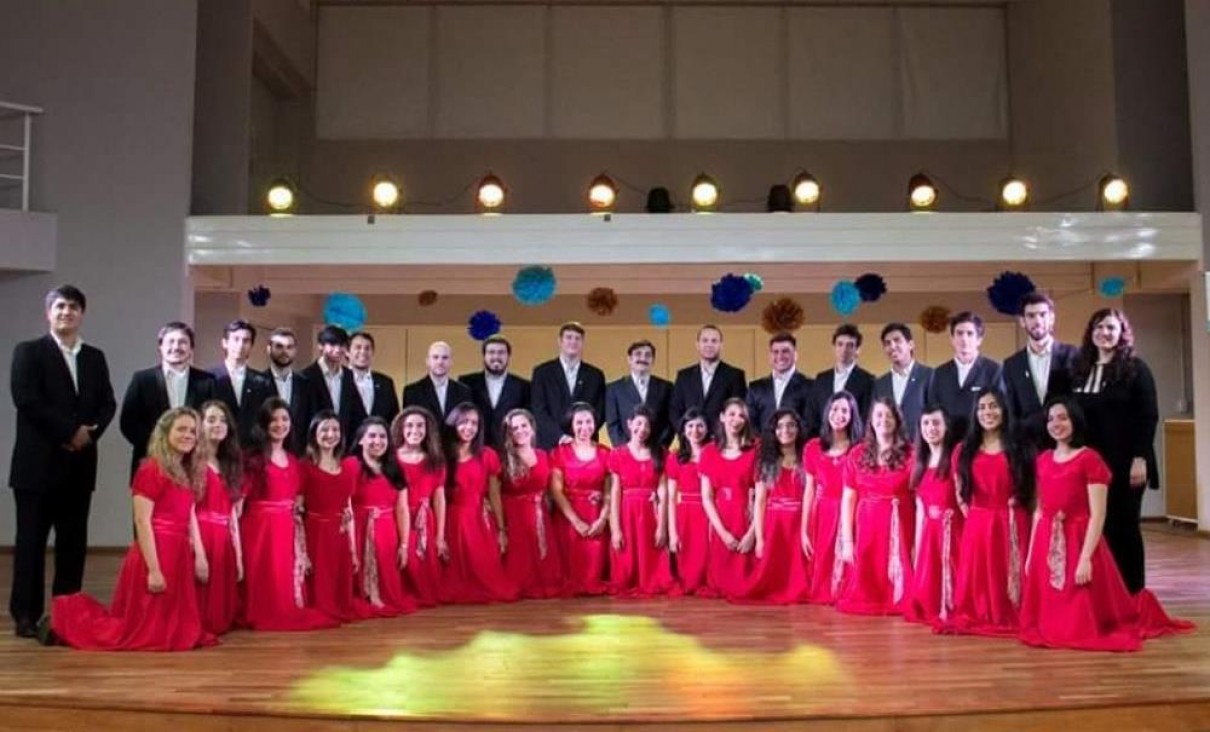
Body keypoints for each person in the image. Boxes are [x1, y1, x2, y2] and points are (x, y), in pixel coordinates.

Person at [1019, 397, 1193, 651]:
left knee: (1076, 619)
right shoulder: (1043, 459)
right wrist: (1032, 553)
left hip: (1079, 539)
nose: (1056, 424)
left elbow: (1098, 515)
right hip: (1048, 538)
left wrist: (1085, 558)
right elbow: (1038, 511)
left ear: (1075, 421)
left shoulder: (1089, 459)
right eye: (1051, 419)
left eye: (1063, 418)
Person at [49, 408, 215, 651]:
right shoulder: (151, 469)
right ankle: (63, 620)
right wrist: (154, 570)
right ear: (165, 433)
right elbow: (142, 521)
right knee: (139, 632)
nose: (188, 435)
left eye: (192, 431)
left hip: (178, 552)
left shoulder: (186, 472)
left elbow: (189, 514)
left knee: (171, 630)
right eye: (181, 429)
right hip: (156, 552)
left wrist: (199, 554)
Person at [9, 285, 117, 639]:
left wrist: (90, 433)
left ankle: (67, 612)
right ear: (48, 313)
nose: (66, 312)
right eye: (59, 306)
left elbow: (107, 404)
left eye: (73, 307)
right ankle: (26, 615)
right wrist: (70, 432)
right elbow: (26, 399)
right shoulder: (29, 352)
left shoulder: (94, 357)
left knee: (73, 546)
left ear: (82, 313)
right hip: (36, 468)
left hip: (79, 467)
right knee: (30, 545)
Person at [1072, 308, 1158, 595]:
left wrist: (1140, 457)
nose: (1105, 333)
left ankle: (1133, 593)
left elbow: (1148, 416)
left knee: (1125, 528)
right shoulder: (1079, 369)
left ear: (1121, 332)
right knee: (1098, 529)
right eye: (1099, 327)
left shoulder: (1136, 369)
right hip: (1089, 466)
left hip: (1127, 464)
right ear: (1091, 332)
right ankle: (1105, 594)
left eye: (1111, 327)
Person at [239, 398, 340, 631]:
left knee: (284, 575)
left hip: (286, 526)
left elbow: (299, 500)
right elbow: (239, 503)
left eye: (285, 419)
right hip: (259, 528)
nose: (279, 424)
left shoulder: (294, 461)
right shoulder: (252, 459)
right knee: (263, 575)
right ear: (264, 423)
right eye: (273, 419)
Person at [940, 389, 1033, 637]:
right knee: (979, 584)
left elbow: (1031, 490)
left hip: (1013, 521)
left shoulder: (1020, 446)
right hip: (979, 522)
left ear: (1004, 410)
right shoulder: (964, 449)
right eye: (981, 407)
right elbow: (960, 491)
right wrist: (973, 516)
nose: (987, 412)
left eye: (993, 406)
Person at [836, 398, 915, 616]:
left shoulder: (911, 453)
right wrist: (847, 540)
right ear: (870, 420)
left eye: (889, 415)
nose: (884, 420)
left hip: (900, 521)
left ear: (897, 420)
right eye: (879, 415)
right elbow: (848, 498)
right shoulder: (857, 454)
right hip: (868, 523)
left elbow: (919, 496)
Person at [440, 402, 518, 604]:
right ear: (453, 424)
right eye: (463, 422)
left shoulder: (487, 455)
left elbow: (494, 494)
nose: (469, 428)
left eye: (474, 423)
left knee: (492, 580)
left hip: (479, 518)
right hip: (451, 517)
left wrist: (501, 529)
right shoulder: (441, 455)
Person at [734, 409, 810, 604]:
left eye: (791, 425)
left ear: (798, 429)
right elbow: (760, 501)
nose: (786, 430)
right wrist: (759, 538)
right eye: (780, 426)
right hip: (774, 525)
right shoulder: (765, 462)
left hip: (799, 522)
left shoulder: (807, 458)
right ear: (774, 431)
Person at [119, 321, 213, 479]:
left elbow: (209, 422)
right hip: (151, 462)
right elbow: (128, 422)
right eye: (171, 342)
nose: (176, 347)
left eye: (183, 342)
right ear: (160, 347)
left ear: (191, 348)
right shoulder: (142, 379)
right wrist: (160, 446)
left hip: (193, 466)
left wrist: (190, 446)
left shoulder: (207, 381)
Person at [302, 410, 371, 622]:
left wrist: (353, 548)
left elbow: (348, 507)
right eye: (324, 429)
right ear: (314, 433)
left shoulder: (349, 466)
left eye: (335, 430)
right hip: (316, 532)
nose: (330, 434)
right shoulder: (305, 466)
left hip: (339, 532)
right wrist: (302, 551)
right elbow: (297, 511)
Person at [348, 418, 418, 616]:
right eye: (372, 436)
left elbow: (402, 508)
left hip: (387, 530)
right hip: (359, 527)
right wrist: (351, 547)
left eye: (382, 436)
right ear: (360, 440)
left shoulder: (395, 468)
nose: (377, 441)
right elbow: (348, 507)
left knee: (390, 582)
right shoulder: (351, 466)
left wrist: (404, 545)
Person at [903, 405, 962, 625]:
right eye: (926, 423)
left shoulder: (956, 458)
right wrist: (917, 549)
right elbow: (920, 512)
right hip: (930, 534)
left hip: (953, 533)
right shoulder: (919, 463)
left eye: (936, 423)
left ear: (946, 427)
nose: (931, 428)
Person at [608, 405, 675, 596]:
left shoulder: (660, 453)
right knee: (625, 556)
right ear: (629, 424)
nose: (642, 429)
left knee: (653, 556)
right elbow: (615, 493)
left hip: (650, 512)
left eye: (647, 425)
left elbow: (663, 491)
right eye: (638, 423)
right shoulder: (618, 454)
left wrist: (662, 526)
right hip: (627, 511)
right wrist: (615, 529)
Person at [802, 391, 862, 605]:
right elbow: (809, 490)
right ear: (827, 412)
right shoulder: (813, 447)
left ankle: (846, 591)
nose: (839, 414)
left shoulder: (860, 448)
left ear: (852, 415)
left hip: (851, 510)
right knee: (824, 555)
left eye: (845, 410)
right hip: (823, 510)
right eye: (835, 409)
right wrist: (803, 529)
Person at [498, 409, 565, 598]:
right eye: (514, 428)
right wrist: (501, 528)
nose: (519, 431)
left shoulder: (544, 456)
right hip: (514, 517)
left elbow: (552, 491)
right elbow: (494, 494)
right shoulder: (503, 459)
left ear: (532, 428)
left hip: (540, 515)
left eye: (523, 426)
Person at [699, 398, 759, 598]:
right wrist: (722, 532)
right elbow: (706, 496)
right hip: (720, 518)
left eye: (742, 415)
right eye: (732, 414)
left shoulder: (754, 450)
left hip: (746, 516)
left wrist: (752, 533)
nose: (736, 419)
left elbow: (762, 497)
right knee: (720, 579)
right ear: (722, 417)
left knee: (746, 582)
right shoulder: (709, 451)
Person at [550, 403, 611, 596]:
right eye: (579, 422)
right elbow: (556, 490)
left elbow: (610, 491)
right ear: (571, 424)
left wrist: (603, 519)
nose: (584, 427)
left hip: (596, 515)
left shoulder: (605, 452)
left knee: (594, 571)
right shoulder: (559, 452)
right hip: (568, 516)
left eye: (588, 422)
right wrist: (576, 521)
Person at [1003, 293, 1079, 448]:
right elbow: (1012, 412)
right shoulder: (1012, 364)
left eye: (1042, 315)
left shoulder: (1073, 355)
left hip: (1066, 447)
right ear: (1022, 321)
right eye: (1031, 316)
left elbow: (1078, 404)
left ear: (1051, 318)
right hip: (1028, 449)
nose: (1037, 321)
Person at [195, 400, 244, 635]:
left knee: (221, 620)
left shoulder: (230, 463)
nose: (218, 425)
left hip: (224, 537)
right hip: (201, 536)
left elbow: (233, 514)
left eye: (223, 420)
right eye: (211, 419)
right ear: (200, 424)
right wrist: (197, 552)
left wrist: (239, 557)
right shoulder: (192, 461)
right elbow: (186, 510)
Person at [393, 405, 448, 608]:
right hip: (397, 517)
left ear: (427, 430)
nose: (414, 430)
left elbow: (439, 499)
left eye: (420, 426)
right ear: (400, 428)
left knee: (427, 577)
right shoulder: (392, 458)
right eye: (409, 425)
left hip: (425, 520)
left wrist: (440, 536)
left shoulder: (436, 460)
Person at [925, 311, 1004, 440]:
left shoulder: (994, 370)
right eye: (959, 333)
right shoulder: (939, 373)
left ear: (979, 339)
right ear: (952, 339)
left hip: (982, 442)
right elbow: (933, 411)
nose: (964, 339)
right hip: (948, 444)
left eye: (970, 334)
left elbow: (1000, 411)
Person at [530, 323, 606, 449]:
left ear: (582, 342)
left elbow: (600, 411)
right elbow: (538, 411)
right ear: (560, 341)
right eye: (569, 337)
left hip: (586, 446)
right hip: (551, 444)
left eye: (577, 338)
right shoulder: (542, 372)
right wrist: (560, 436)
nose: (573, 342)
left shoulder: (595, 375)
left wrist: (582, 433)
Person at [666, 409, 711, 596]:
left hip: (709, 511)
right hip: (684, 513)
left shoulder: (714, 454)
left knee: (708, 555)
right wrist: (672, 533)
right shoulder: (675, 457)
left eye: (700, 425)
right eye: (690, 426)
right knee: (687, 558)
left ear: (707, 429)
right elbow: (670, 497)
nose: (695, 430)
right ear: (683, 430)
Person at [208, 319, 274, 445]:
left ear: (251, 345)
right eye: (236, 339)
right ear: (225, 343)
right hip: (217, 448)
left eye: (246, 341)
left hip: (252, 450)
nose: (240, 345)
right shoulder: (209, 378)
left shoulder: (263, 382)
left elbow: (265, 419)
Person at [670, 325, 747, 430]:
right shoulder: (684, 376)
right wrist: (686, 433)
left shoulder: (735, 375)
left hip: (721, 441)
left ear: (721, 345)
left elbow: (738, 411)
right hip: (690, 441)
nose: (709, 345)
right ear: (697, 345)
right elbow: (675, 410)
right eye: (705, 340)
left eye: (714, 341)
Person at [460, 335, 531, 449]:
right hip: (475, 448)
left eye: (501, 352)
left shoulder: (524, 386)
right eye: (491, 352)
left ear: (508, 356)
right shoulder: (466, 383)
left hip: (510, 450)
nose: (496, 356)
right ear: (484, 356)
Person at [605, 340, 674, 447]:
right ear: (629, 359)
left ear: (653, 360)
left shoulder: (667, 387)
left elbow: (670, 423)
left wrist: (659, 449)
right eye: (638, 354)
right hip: (626, 454)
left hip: (657, 452)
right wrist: (627, 450)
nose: (643, 358)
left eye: (648, 355)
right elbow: (613, 425)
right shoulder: (614, 389)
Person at [873, 323, 933, 441]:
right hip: (889, 448)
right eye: (887, 343)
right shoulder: (879, 384)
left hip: (921, 448)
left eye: (897, 340)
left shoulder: (930, 376)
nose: (892, 346)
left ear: (910, 345)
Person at [745, 332, 814, 435]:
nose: (780, 356)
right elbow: (750, 423)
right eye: (775, 352)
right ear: (770, 356)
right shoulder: (755, 387)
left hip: (797, 448)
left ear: (795, 355)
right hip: (763, 448)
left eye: (785, 351)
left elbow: (809, 423)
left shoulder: (810, 386)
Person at [301, 325, 360, 445]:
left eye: (342, 345)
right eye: (332, 345)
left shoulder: (348, 375)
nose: (338, 350)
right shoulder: (306, 376)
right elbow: (302, 417)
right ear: (321, 346)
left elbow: (355, 412)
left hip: (343, 445)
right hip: (315, 445)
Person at [812, 324, 875, 435]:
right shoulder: (821, 379)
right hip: (823, 443)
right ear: (834, 348)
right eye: (840, 344)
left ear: (858, 350)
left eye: (850, 345)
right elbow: (812, 415)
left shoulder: (868, 381)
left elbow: (866, 418)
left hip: (854, 444)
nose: (844, 349)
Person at [265, 327, 311, 455]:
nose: (285, 352)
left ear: (295, 351)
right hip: (268, 453)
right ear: (269, 349)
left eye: (289, 347)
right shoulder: (258, 382)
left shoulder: (306, 384)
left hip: (299, 454)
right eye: (279, 346)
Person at [402, 340, 470, 422]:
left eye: (445, 357)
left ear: (451, 362)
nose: (440, 362)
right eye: (435, 357)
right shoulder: (412, 392)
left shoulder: (464, 392)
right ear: (427, 361)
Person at [349, 331, 401, 427]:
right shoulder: (340, 380)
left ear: (372, 353)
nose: (363, 352)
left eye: (367, 348)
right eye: (358, 347)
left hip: (379, 440)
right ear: (347, 352)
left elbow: (394, 419)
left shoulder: (386, 383)